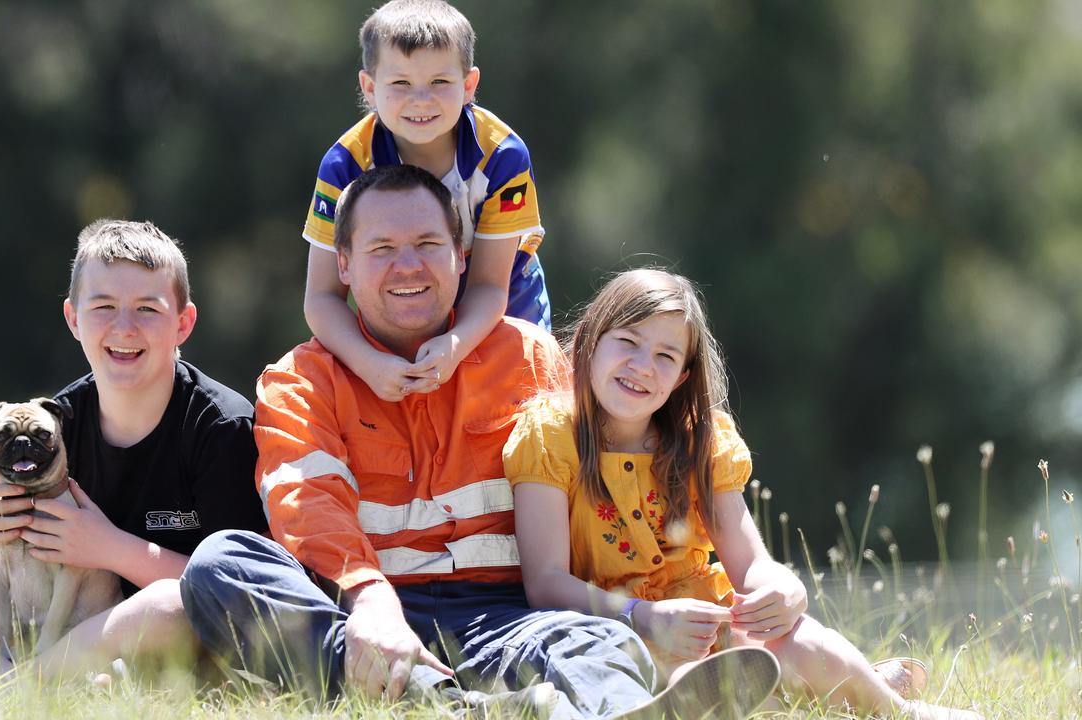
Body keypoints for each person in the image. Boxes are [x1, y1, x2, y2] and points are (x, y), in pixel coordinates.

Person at [180, 166, 780, 720]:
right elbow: (304, 504)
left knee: (601, 640)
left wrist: (728, 589)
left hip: (507, 614)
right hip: (364, 614)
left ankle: (621, 711)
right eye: (382, 249)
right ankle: (449, 705)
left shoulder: (532, 358)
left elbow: (632, 452)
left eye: (427, 246)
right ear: (343, 263)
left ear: (461, 255)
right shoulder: (301, 380)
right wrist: (369, 600)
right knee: (219, 564)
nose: (407, 266)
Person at [504, 268, 983, 720]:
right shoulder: (549, 435)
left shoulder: (699, 441)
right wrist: (643, 615)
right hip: (612, 629)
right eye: (627, 341)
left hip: (705, 615)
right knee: (696, 685)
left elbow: (749, 562)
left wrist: (782, 587)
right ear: (589, 342)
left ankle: (895, 710)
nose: (642, 367)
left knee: (803, 643)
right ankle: (846, 689)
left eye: (666, 356)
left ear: (683, 378)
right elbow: (544, 582)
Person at [0, 219, 267, 684]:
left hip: (149, 632)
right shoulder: (51, 426)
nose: (124, 327)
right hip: (46, 628)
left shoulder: (220, 426)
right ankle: (9, 690)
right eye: (103, 306)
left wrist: (110, 548)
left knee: (171, 603)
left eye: (147, 308)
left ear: (183, 323)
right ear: (73, 319)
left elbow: (234, 592)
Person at [303, 0, 552, 405]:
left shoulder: (503, 155)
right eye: (400, 84)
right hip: (397, 305)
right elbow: (322, 297)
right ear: (369, 87)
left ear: (469, 85)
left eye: (440, 82)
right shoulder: (345, 164)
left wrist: (454, 343)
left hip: (503, 296)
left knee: (526, 418)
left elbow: (491, 284)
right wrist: (367, 362)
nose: (421, 100)